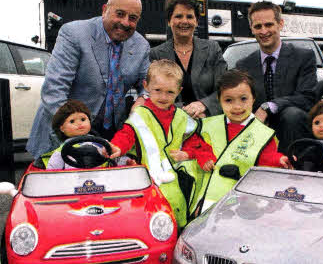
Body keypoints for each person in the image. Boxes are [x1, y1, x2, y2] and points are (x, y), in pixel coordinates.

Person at [26, 0, 150, 159]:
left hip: (110, 140)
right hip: (63, 138)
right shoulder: (74, 34)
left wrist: (143, 99)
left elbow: (149, 84)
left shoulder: (141, 45)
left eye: (133, 18)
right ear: (105, 10)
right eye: (120, 14)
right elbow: (54, 90)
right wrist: (76, 133)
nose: (125, 22)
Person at [108, 59, 215, 228]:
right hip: (147, 181)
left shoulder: (181, 117)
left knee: (177, 218)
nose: (163, 97)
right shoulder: (140, 115)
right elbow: (126, 135)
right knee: (150, 222)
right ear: (146, 86)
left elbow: (196, 143)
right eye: (157, 90)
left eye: (170, 92)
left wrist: (196, 156)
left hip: (176, 180)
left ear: (179, 91)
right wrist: (116, 147)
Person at [171, 69, 291, 213]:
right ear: (219, 101)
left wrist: (281, 160)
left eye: (243, 99)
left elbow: (268, 159)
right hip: (202, 198)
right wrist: (193, 156)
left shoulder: (264, 134)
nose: (237, 106)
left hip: (241, 204)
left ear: (253, 98)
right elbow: (194, 147)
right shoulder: (206, 125)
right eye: (228, 100)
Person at [236, 1, 318, 154]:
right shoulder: (243, 65)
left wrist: (269, 106)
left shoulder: (303, 57)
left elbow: (307, 98)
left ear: (280, 24)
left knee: (291, 115)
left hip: (294, 131)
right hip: (258, 130)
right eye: (258, 26)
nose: (264, 31)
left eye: (269, 24)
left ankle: (294, 171)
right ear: (251, 29)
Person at [150, 0, 227, 118]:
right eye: (178, 16)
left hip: (209, 121)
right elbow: (155, 95)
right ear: (169, 21)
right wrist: (184, 112)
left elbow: (225, 88)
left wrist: (204, 105)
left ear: (196, 21)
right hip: (171, 123)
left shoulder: (212, 49)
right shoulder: (156, 54)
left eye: (190, 17)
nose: (184, 21)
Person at [45, 100, 132, 170]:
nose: (79, 124)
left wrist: (125, 162)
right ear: (62, 128)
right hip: (72, 184)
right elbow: (52, 172)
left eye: (83, 119)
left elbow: (114, 157)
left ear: (90, 121)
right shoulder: (62, 150)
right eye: (72, 121)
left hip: (102, 182)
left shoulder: (102, 144)